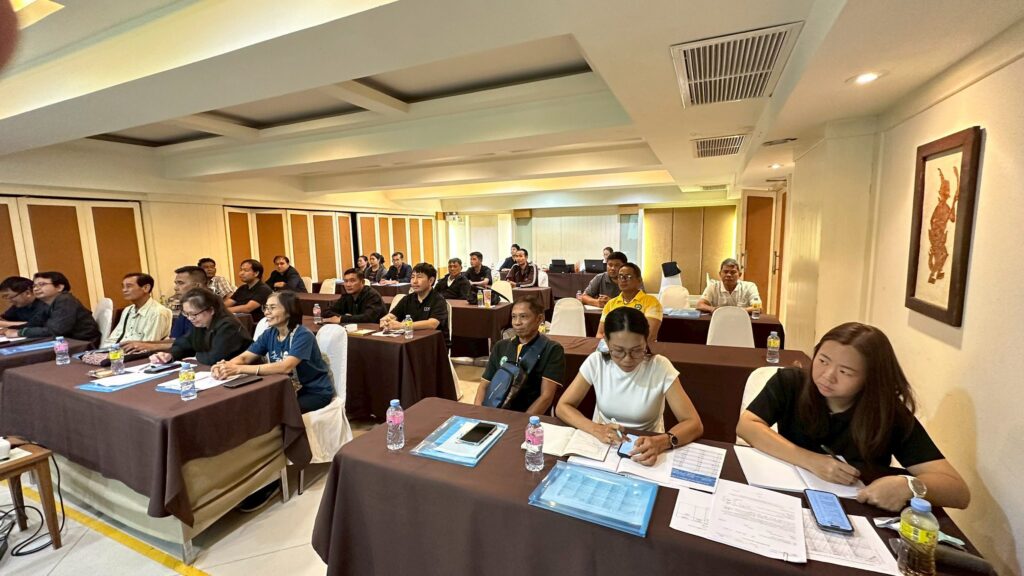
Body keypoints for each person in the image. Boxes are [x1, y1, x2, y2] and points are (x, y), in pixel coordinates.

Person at [736, 322, 971, 512]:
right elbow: (747, 425)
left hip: (854, 510)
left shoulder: (888, 413)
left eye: (845, 372)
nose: (828, 376)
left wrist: (908, 486)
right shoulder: (791, 383)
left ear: (871, 377)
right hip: (786, 497)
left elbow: (958, 491)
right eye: (822, 361)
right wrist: (812, 461)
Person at [212, 290, 336, 512]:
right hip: (285, 390)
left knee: (272, 418)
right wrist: (226, 365)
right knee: (250, 412)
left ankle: (270, 481)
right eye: (265, 308)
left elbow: (286, 366)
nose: (266, 312)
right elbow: (246, 356)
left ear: (288, 310)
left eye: (272, 308)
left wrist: (239, 369)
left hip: (314, 392)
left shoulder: (303, 335)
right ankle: (249, 474)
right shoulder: (269, 334)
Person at [556, 307, 703, 466]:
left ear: (646, 342)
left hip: (645, 450)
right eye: (618, 351)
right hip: (603, 447)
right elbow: (563, 406)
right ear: (606, 342)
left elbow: (694, 423)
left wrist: (662, 441)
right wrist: (595, 428)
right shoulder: (597, 362)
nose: (627, 359)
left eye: (637, 350)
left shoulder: (659, 366)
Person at [474, 296, 565, 415]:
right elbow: (484, 385)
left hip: (530, 418)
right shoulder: (501, 346)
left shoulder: (552, 349)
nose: (517, 322)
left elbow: (546, 397)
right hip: (497, 413)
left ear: (539, 319)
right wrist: (478, 414)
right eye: (514, 317)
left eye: (523, 316)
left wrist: (523, 422)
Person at [149, 287, 251, 366]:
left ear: (211, 310)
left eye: (194, 314)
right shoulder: (200, 323)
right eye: (186, 314)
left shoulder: (228, 326)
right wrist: (170, 355)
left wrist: (194, 356)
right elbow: (184, 344)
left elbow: (215, 358)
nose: (190, 318)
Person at [121, 266, 207, 354]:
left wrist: (151, 347)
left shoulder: (208, 309)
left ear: (197, 286)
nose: (176, 288)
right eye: (176, 283)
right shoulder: (187, 308)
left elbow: (194, 344)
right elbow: (176, 340)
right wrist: (141, 343)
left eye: (180, 283)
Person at [4, 272, 101, 345]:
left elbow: (55, 331)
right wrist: (7, 330)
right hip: (65, 342)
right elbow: (35, 323)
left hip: (83, 344)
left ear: (59, 287)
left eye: (42, 284)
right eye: (34, 286)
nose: (36, 289)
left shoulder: (65, 300)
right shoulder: (47, 302)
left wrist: (20, 333)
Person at [380, 263, 449, 345]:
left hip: (434, 344)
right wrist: (385, 321)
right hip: (412, 341)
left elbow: (432, 324)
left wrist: (402, 325)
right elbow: (391, 316)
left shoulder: (438, 299)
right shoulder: (407, 299)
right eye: (412, 277)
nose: (414, 281)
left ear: (431, 280)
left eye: (419, 277)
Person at [595, 263, 662, 343]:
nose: (623, 280)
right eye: (620, 276)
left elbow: (649, 335)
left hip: (640, 348)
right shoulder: (610, 304)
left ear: (639, 280)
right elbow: (600, 334)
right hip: (613, 348)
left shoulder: (651, 302)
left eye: (628, 276)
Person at [101, 273, 172, 348]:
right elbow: (114, 338)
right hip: (118, 350)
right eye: (123, 287)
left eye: (129, 286)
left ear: (146, 288)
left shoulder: (158, 312)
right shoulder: (128, 310)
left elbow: (148, 345)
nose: (124, 290)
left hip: (138, 352)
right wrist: (104, 350)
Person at [697, 258, 761, 313]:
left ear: (739, 274)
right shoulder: (713, 287)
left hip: (741, 320)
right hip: (719, 320)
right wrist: (713, 309)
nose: (729, 275)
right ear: (720, 274)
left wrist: (737, 312)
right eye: (725, 272)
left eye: (733, 272)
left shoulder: (749, 287)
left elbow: (758, 307)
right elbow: (700, 305)